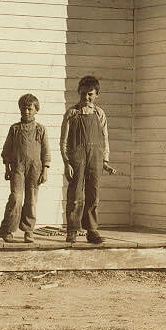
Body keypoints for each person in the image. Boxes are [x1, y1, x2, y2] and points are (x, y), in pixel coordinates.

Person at [61, 75, 115, 244]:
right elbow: (63, 141)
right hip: (77, 157)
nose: (86, 97)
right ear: (79, 92)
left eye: (90, 94)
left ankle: (92, 230)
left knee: (93, 194)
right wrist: (66, 162)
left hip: (95, 157)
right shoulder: (71, 113)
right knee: (75, 194)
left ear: (97, 94)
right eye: (83, 93)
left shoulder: (100, 114)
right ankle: (72, 230)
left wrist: (105, 161)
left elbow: (105, 138)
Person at [0, 93, 51, 243]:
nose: (26, 111)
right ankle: (8, 230)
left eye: (29, 108)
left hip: (35, 169)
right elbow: (7, 151)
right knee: (16, 198)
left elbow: (46, 152)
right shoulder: (14, 129)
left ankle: (28, 230)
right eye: (23, 108)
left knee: (31, 200)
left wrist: (45, 170)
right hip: (17, 168)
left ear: (36, 109)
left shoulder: (41, 130)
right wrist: (7, 169)